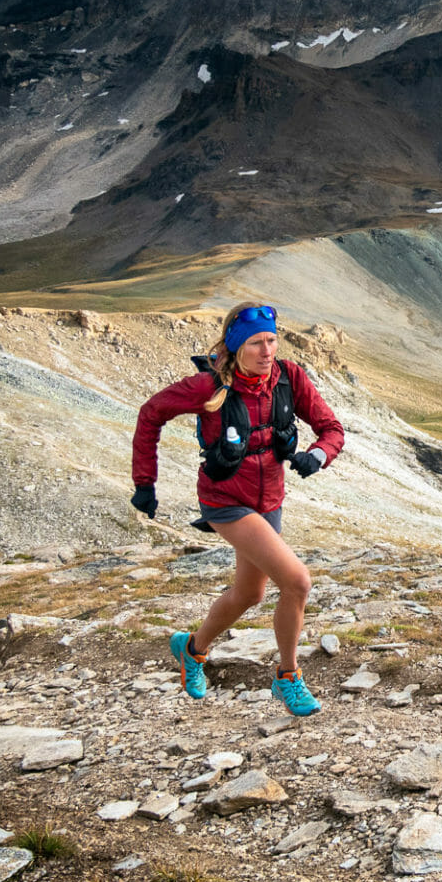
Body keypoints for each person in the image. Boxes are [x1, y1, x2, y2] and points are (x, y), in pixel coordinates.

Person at [129, 302, 345, 716]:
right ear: (234, 346)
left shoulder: (288, 378)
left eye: (271, 340)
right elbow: (150, 414)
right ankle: (288, 677)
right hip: (225, 500)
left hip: (270, 499)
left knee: (250, 593)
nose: (267, 351)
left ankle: (192, 650)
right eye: (255, 343)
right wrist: (145, 481)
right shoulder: (208, 388)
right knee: (298, 581)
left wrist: (317, 455)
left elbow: (331, 429)